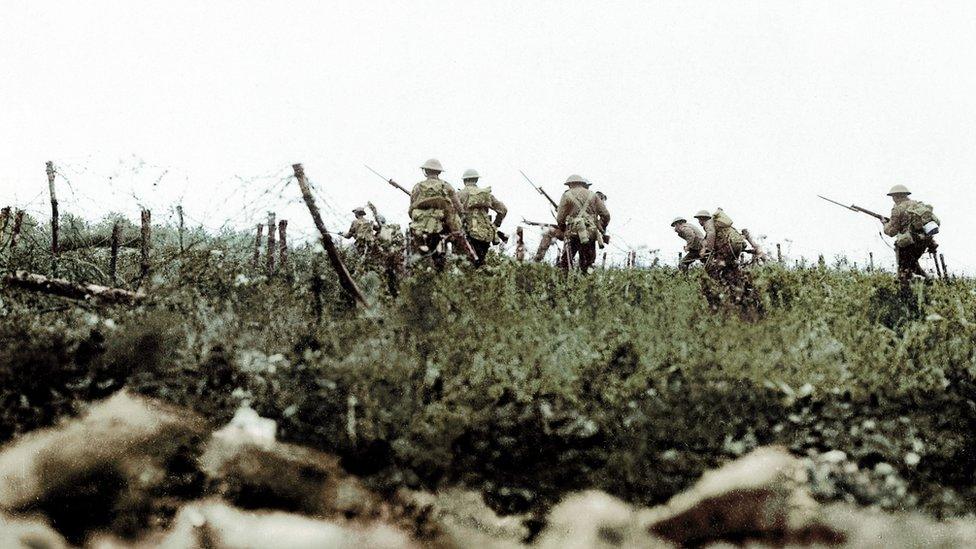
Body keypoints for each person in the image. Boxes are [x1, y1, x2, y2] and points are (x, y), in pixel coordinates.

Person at [408, 158, 465, 269]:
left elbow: (411, 209)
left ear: (426, 171)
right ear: (439, 172)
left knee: (418, 257)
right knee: (440, 257)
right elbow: (459, 208)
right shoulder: (446, 186)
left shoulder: (417, 187)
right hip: (441, 227)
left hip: (419, 228)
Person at [882, 184, 940, 289]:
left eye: (893, 197)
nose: (893, 199)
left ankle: (906, 296)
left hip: (908, 242)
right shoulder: (917, 205)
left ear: (897, 196)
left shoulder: (897, 209)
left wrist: (885, 224)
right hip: (924, 241)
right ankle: (928, 280)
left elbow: (891, 232)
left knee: (904, 270)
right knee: (912, 263)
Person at [555, 174, 610, 272]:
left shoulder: (566, 195)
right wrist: (600, 227)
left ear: (571, 184)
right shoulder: (593, 195)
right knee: (588, 264)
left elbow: (560, 218)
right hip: (590, 233)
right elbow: (606, 215)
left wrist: (564, 229)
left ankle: (564, 285)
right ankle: (588, 284)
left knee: (565, 263)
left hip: (572, 233)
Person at [457, 169, 507, 266]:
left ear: (464, 180)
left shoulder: (459, 194)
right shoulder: (485, 194)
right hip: (485, 234)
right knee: (481, 261)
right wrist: (495, 225)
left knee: (465, 264)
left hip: (467, 233)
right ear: (476, 180)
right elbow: (503, 209)